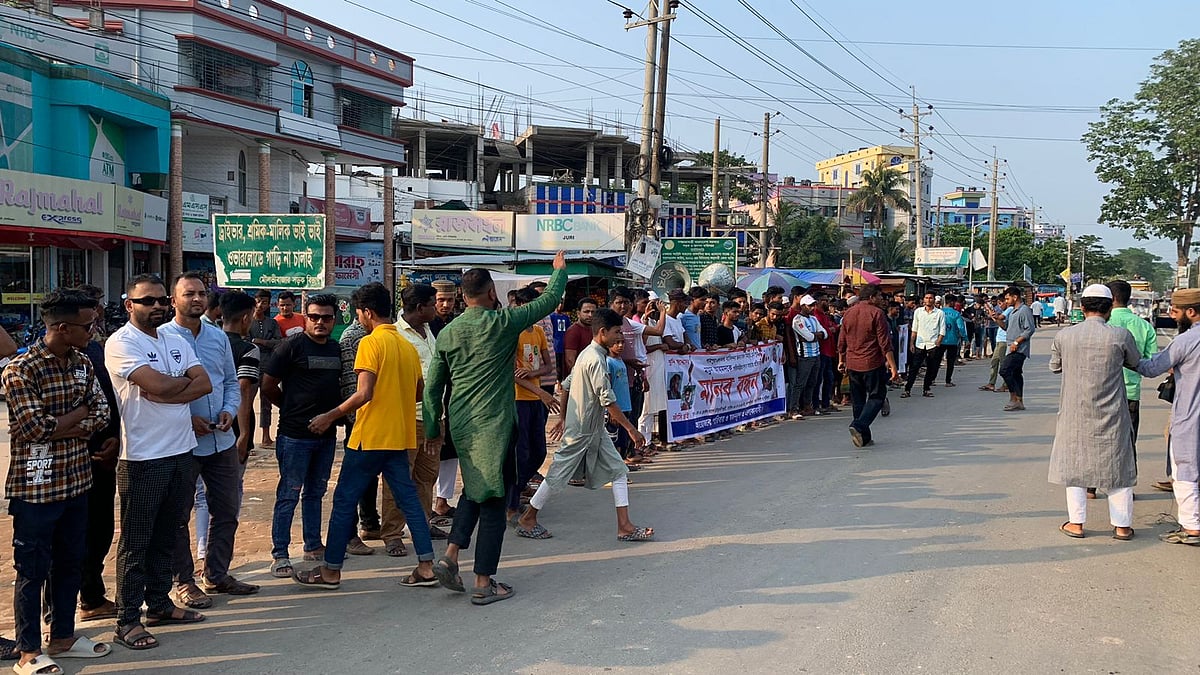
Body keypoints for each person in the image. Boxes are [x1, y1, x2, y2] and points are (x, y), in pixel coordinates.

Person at [424, 251, 568, 605]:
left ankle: (451, 555)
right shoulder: (503, 322)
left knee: (476, 487)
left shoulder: (448, 332)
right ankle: (483, 582)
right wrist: (558, 271)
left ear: (462, 297)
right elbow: (550, 300)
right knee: (493, 500)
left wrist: (431, 428)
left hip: (461, 423)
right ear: (491, 293)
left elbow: (433, 387)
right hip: (495, 424)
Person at [295, 283, 435, 589]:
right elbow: (418, 392)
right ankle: (426, 566)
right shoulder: (407, 347)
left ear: (367, 312)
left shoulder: (370, 343)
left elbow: (364, 393)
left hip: (369, 437)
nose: (359, 318)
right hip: (399, 435)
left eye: (359, 313)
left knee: (344, 502)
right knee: (409, 500)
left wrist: (329, 416)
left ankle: (330, 571)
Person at [3, 290, 114, 671]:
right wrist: (78, 415)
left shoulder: (83, 363)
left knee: (70, 562)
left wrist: (65, 423)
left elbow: (101, 412)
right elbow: (34, 428)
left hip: (77, 481)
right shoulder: (21, 369)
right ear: (63, 328)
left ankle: (63, 636)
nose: (93, 331)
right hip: (36, 488)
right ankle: (28, 651)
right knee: (32, 570)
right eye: (88, 325)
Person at [106, 274, 213, 650]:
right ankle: (127, 620)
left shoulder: (175, 339)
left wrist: (167, 391)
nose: (156, 306)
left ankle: (160, 604)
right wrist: (173, 386)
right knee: (136, 542)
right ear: (129, 305)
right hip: (142, 457)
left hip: (182, 451)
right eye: (146, 301)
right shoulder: (122, 342)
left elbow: (204, 383)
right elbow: (162, 385)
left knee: (168, 534)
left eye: (160, 300)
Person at [159, 273, 258, 610]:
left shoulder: (217, 337)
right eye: (189, 294)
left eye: (201, 293)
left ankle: (216, 574)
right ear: (174, 300)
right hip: (182, 442)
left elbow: (230, 381)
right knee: (178, 514)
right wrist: (187, 419)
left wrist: (230, 410)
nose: (197, 299)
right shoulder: (162, 338)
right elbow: (158, 391)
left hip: (221, 440)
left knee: (227, 509)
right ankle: (184, 582)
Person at [516, 308, 653, 542]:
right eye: (617, 332)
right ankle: (528, 517)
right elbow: (606, 399)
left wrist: (563, 417)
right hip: (581, 430)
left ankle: (625, 526)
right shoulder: (595, 360)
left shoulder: (588, 355)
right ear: (603, 332)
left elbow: (567, 385)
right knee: (557, 474)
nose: (620, 337)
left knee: (619, 471)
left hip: (593, 428)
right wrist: (631, 429)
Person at [262, 295, 346, 577]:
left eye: (326, 317)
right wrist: (290, 409)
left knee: (316, 492)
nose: (320, 322)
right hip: (294, 436)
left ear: (333, 320)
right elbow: (268, 385)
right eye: (314, 317)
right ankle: (280, 554)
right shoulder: (291, 346)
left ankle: (313, 545)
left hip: (326, 436)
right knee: (289, 494)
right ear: (306, 318)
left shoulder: (335, 348)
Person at [1050, 285, 1141, 540]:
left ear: (1082, 307)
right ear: (1110, 307)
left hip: (1075, 413)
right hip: (1112, 413)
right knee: (1117, 467)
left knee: (1075, 467)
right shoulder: (1120, 335)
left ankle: (1076, 523)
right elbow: (1135, 362)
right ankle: (1122, 526)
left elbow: (1055, 366)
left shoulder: (1065, 336)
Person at [1136, 288, 1200, 544]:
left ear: (1191, 312)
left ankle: (1192, 527)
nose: (1172, 316)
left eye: (1175, 311)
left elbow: (1152, 368)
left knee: (1185, 468)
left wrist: (1127, 356)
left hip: (1191, 415)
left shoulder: (1186, 340)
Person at [75, 286, 122, 624]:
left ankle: (92, 595)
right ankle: (59, 611)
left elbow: (111, 400)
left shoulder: (96, 350)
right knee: (70, 535)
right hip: (73, 458)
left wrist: (116, 437)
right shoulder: (46, 361)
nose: (98, 314)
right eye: (93, 309)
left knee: (101, 529)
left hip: (105, 453)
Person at [394, 285, 448, 540]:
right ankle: (392, 533)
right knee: (400, 477)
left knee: (427, 476)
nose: (436, 308)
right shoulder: (397, 335)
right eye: (432, 304)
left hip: (435, 416)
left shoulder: (429, 330)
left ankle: (422, 524)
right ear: (419, 308)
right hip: (408, 417)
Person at [507, 287, 558, 526]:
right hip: (518, 400)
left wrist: (533, 374)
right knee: (520, 453)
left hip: (535, 399)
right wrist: (539, 390)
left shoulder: (537, 332)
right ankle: (511, 505)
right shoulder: (513, 333)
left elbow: (548, 366)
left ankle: (518, 490)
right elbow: (510, 372)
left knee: (539, 452)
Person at [837, 284, 898, 448]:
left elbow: (842, 340)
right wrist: (893, 366)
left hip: (852, 362)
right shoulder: (876, 313)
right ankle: (858, 425)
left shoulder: (849, 312)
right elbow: (885, 343)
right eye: (879, 296)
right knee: (877, 397)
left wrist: (841, 359)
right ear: (871, 297)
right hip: (871, 362)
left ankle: (864, 437)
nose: (881, 299)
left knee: (858, 400)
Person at [248, 290, 282, 449]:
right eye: (258, 301)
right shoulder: (247, 321)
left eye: (265, 302)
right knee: (247, 402)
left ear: (269, 305)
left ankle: (266, 437)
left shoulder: (272, 323)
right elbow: (246, 341)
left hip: (268, 365)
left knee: (266, 402)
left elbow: (278, 342)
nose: (261, 305)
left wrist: (261, 341)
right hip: (250, 365)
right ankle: (247, 439)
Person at [998, 287, 1036, 411]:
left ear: (1015, 297)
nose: (1006, 301)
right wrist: (996, 319)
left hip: (1019, 349)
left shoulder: (1024, 310)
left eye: (1008, 298)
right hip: (1011, 346)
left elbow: (1029, 329)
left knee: (1004, 370)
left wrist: (1016, 342)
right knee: (1016, 373)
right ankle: (1019, 401)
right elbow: (1007, 328)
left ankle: (1013, 397)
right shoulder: (1012, 311)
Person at [902, 292, 945, 399]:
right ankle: (907, 389)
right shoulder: (918, 311)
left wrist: (938, 341)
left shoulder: (939, 313)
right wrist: (911, 343)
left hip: (932, 344)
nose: (928, 300)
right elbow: (914, 329)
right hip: (919, 344)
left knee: (931, 368)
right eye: (927, 298)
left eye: (931, 298)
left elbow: (942, 329)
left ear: (934, 300)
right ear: (924, 300)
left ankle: (926, 389)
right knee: (914, 368)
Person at [792, 295, 826, 418]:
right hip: (805, 355)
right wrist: (816, 335)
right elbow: (808, 337)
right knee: (800, 383)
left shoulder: (813, 318)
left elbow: (824, 333)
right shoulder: (797, 320)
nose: (812, 308)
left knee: (812, 382)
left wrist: (815, 335)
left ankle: (807, 406)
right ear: (802, 306)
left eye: (813, 305)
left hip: (816, 354)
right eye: (809, 305)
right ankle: (794, 408)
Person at [980, 296, 1012, 392]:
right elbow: (997, 320)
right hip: (1000, 339)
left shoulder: (1009, 310)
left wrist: (990, 312)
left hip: (1004, 340)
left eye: (1000, 303)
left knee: (1003, 364)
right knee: (994, 362)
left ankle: (1006, 384)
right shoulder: (1006, 311)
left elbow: (999, 319)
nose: (999, 306)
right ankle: (991, 383)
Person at [563, 298, 597, 376]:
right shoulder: (573, 331)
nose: (590, 315)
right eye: (586, 312)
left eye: (593, 312)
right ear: (578, 313)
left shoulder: (595, 330)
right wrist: (578, 377)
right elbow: (570, 360)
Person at [940, 294, 967, 387]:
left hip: (940, 340)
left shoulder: (939, 312)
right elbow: (961, 327)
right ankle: (948, 381)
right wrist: (965, 338)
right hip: (952, 340)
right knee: (950, 362)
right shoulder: (956, 314)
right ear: (952, 302)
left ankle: (931, 379)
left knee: (936, 361)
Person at [549, 302, 571, 381]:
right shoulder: (551, 317)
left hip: (564, 345)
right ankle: (557, 381)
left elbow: (569, 330)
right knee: (557, 365)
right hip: (555, 346)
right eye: (558, 303)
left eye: (562, 304)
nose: (560, 306)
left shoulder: (566, 317)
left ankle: (563, 381)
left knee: (564, 365)